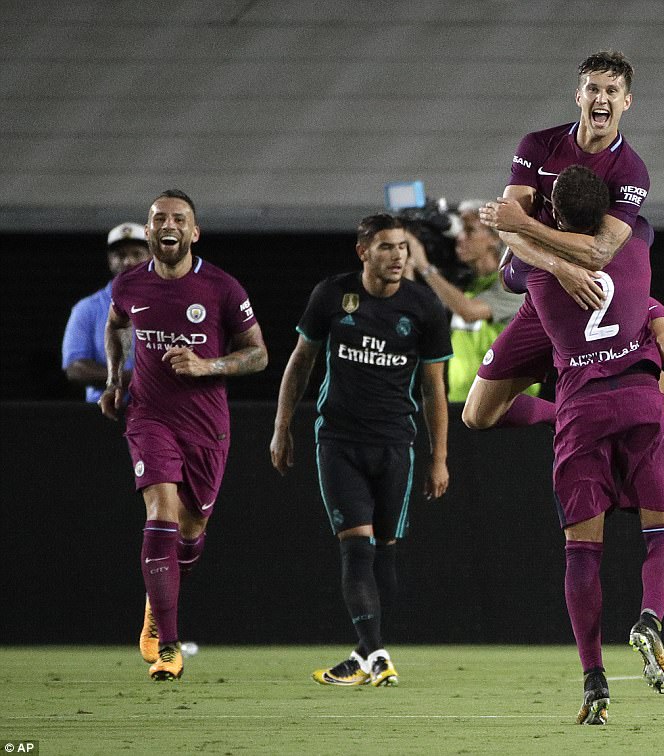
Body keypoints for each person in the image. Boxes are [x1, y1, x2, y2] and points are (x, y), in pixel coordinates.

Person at [471, 49, 664, 516]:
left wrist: (526, 233)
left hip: (608, 289)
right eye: (593, 89)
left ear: (627, 102)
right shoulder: (538, 146)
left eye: (612, 91)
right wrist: (558, 266)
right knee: (478, 414)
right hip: (551, 292)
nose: (601, 98)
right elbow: (507, 226)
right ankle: (564, 415)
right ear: (578, 95)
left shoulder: (630, 169)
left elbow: (598, 252)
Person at [501, 164, 664, 724]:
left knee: (582, 552)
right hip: (638, 401)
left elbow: (509, 270)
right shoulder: (637, 238)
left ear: (554, 213)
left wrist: (522, 227)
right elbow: (624, 232)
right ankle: (649, 618)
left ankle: (593, 678)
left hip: (580, 409)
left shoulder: (532, 270)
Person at [270, 214, 452, 688]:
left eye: (403, 248)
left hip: (395, 444)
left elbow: (434, 388)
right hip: (339, 441)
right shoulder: (332, 294)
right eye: (387, 247)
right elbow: (301, 361)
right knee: (356, 548)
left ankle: (363, 654)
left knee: (384, 551)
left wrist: (438, 458)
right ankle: (379, 654)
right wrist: (282, 426)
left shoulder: (424, 306)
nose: (397, 257)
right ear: (363, 252)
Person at [99, 190, 268, 681]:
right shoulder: (129, 284)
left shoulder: (222, 287)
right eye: (158, 218)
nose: (167, 225)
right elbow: (116, 325)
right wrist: (115, 380)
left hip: (206, 425)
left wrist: (206, 365)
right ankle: (169, 646)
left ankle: (157, 606)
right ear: (149, 230)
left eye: (178, 218)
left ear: (194, 232)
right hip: (149, 416)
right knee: (160, 513)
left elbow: (258, 354)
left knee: (190, 533)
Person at [404, 200, 531, 401]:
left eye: (470, 230)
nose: (460, 238)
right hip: (463, 402)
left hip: (507, 404)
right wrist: (408, 266)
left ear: (494, 238)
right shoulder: (466, 285)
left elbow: (469, 311)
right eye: (459, 231)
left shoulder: (514, 284)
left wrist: (425, 267)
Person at [62, 222, 151, 402]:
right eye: (120, 255)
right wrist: (134, 379)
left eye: (137, 254)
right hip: (104, 411)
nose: (128, 261)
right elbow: (75, 369)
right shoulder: (87, 308)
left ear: (151, 259)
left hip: (158, 412)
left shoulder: (169, 305)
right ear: (110, 261)